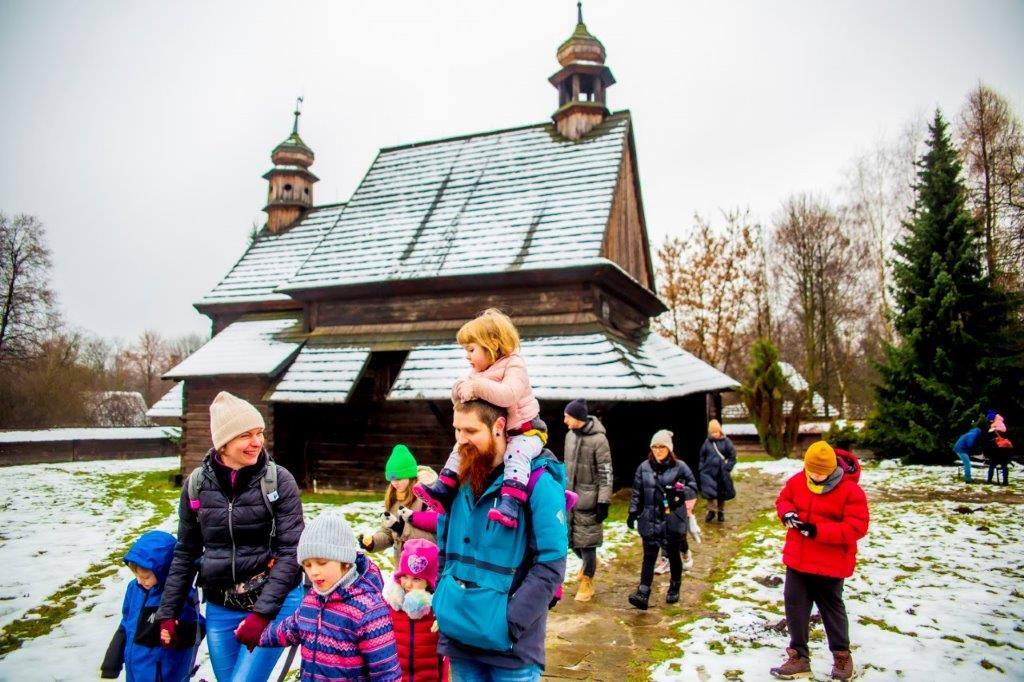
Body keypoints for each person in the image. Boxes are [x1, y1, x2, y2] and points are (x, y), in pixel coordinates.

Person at [156, 391, 305, 682]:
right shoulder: (196, 486)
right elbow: (186, 551)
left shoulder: (279, 481)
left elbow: (291, 552)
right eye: (246, 435)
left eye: (259, 433)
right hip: (220, 606)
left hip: (274, 600)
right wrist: (168, 611)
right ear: (223, 443)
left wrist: (261, 615)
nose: (257, 442)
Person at [432, 399, 567, 681]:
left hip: (512, 651)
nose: (461, 440)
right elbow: (444, 546)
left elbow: (551, 564)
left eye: (470, 431)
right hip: (459, 639)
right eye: (457, 430)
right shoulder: (456, 480)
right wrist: (442, 600)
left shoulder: (538, 482)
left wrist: (509, 621)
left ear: (499, 426)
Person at [415, 309, 546, 528]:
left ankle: (510, 503)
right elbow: (466, 397)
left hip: (525, 431)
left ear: (493, 344)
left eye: (471, 349)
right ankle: (443, 487)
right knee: (462, 445)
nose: (467, 355)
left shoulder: (514, 365)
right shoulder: (479, 371)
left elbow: (508, 394)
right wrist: (459, 389)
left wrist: (475, 387)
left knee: (516, 454)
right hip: (499, 432)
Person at [258, 510, 402, 681]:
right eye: (307, 565)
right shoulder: (312, 600)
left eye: (321, 563)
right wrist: (258, 635)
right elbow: (292, 628)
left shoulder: (369, 610)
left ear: (345, 562)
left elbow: (386, 673)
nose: (314, 572)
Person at [771, 441, 869, 681]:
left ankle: (842, 657)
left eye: (820, 471)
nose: (814, 475)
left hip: (831, 562)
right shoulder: (798, 481)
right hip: (799, 558)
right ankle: (799, 657)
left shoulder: (850, 491)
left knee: (831, 609)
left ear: (833, 468)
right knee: (794, 606)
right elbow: (783, 500)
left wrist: (817, 531)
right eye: (810, 470)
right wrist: (788, 514)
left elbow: (857, 526)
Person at [101, 530, 203, 681]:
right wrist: (111, 664)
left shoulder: (178, 595)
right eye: (137, 576)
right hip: (135, 670)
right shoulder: (134, 589)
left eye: (146, 576)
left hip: (164, 672)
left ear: (164, 569)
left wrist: (178, 633)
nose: (141, 581)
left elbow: (198, 628)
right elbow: (125, 625)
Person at [626, 429, 698, 610]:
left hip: (672, 519)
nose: (658, 450)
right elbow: (637, 492)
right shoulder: (644, 467)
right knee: (649, 556)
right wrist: (633, 512)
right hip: (649, 519)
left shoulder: (680, 467)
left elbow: (693, 487)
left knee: (673, 555)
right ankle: (643, 592)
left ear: (669, 449)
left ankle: (674, 586)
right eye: (655, 447)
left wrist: (679, 491)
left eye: (662, 447)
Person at [562, 398, 613, 602]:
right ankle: (589, 564)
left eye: (567, 416)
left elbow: (606, 472)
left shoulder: (599, 440)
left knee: (587, 544)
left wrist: (603, 501)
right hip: (571, 499)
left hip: (590, 500)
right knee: (572, 541)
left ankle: (587, 581)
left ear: (577, 418)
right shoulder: (569, 437)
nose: (565, 420)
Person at [362, 444, 439, 563]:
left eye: (398, 479)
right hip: (402, 567)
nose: (394, 483)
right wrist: (373, 542)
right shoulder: (393, 498)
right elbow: (388, 533)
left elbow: (434, 536)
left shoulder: (426, 497)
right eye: (391, 479)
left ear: (409, 476)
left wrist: (401, 529)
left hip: (424, 566)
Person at [383, 539, 448, 681]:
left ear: (430, 582)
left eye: (417, 579)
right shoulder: (391, 606)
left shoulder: (438, 610)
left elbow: (444, 658)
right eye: (404, 576)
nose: (408, 584)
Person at [698, 419, 737, 523]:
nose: (714, 434)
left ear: (720, 431)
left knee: (721, 493)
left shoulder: (726, 442)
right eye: (712, 432)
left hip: (721, 472)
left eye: (716, 432)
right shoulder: (707, 443)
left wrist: (727, 467)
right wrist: (701, 467)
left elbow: (732, 457)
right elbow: (702, 456)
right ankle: (711, 511)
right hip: (708, 472)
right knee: (709, 493)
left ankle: (720, 512)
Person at [984, 412, 1013, 485]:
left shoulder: (994, 427)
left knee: (992, 465)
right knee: (1004, 466)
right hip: (1005, 451)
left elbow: (991, 442)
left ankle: (989, 480)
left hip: (997, 451)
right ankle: (1005, 482)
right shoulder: (1003, 425)